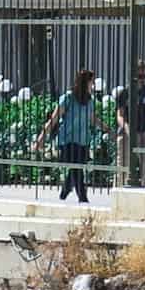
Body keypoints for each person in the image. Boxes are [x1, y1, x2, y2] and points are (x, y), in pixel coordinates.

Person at [39, 69, 100, 205]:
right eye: (92, 82)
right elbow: (54, 118)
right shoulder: (68, 98)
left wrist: (107, 128)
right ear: (86, 82)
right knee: (76, 167)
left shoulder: (90, 100)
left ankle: (66, 189)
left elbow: (92, 119)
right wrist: (42, 136)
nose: (93, 85)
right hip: (67, 139)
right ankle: (83, 197)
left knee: (76, 167)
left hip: (83, 139)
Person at [117, 60, 145, 190]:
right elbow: (120, 115)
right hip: (128, 133)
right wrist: (126, 128)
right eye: (140, 76)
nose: (143, 80)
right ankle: (121, 190)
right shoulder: (125, 92)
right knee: (124, 164)